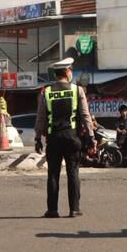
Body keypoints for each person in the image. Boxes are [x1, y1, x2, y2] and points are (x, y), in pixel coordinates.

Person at [34, 58, 94, 218]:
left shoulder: (46, 91)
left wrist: (37, 138)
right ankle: (74, 209)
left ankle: (52, 210)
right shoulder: (77, 90)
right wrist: (91, 136)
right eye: (71, 70)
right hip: (72, 137)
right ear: (67, 72)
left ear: (55, 74)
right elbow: (85, 115)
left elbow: (40, 118)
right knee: (73, 172)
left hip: (53, 138)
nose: (71, 73)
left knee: (53, 174)